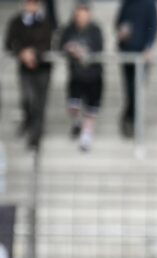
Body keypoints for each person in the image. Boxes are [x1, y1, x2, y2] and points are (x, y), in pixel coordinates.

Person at [5, 0, 54, 151]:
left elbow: (48, 43)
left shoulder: (46, 22)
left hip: (42, 68)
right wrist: (22, 53)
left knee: (39, 103)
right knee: (27, 99)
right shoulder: (16, 22)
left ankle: (35, 137)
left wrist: (34, 54)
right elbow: (9, 43)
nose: (31, 6)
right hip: (25, 69)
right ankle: (27, 122)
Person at [59, 1, 103, 152]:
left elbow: (98, 48)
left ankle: (86, 136)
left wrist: (83, 51)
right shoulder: (69, 29)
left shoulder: (95, 30)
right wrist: (69, 48)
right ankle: (77, 123)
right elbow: (60, 45)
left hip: (93, 76)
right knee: (73, 105)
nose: (82, 18)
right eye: (79, 15)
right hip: (76, 75)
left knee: (91, 109)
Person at [115, 0, 157, 139]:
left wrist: (148, 46)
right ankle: (130, 118)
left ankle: (131, 119)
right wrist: (121, 33)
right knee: (129, 89)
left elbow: (153, 25)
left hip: (142, 56)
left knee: (137, 89)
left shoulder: (149, 4)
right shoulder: (127, 3)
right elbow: (118, 22)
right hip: (127, 54)